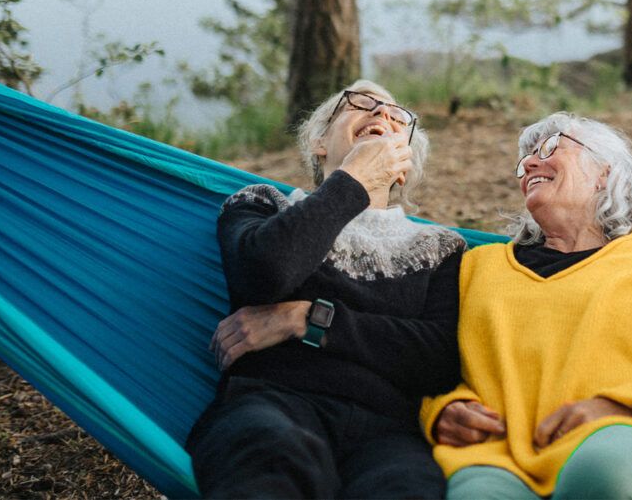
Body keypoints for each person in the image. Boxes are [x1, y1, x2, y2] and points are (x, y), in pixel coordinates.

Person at [423, 112, 632, 500]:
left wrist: (622, 408)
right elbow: (427, 363)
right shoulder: (476, 268)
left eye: (550, 148)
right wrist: (443, 411)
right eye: (525, 161)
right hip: (499, 458)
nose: (531, 165)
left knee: (603, 471)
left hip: (621, 443)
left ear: (604, 172)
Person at [185, 81, 464, 499]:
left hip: (388, 431)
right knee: (270, 461)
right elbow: (266, 273)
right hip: (274, 405)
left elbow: (438, 357)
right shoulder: (263, 207)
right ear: (319, 141)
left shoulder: (439, 249)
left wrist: (307, 319)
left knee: (407, 488)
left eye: (396, 114)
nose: (382, 114)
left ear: (403, 164)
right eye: (362, 103)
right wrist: (354, 179)